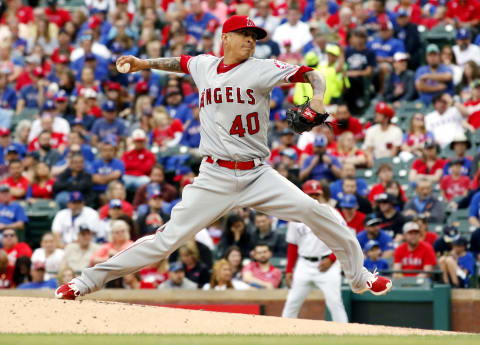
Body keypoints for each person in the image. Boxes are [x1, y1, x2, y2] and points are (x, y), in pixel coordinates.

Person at [56, 15, 391, 300]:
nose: (250, 41)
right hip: (214, 175)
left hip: (257, 174)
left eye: (254, 37)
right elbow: (181, 63)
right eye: (244, 35)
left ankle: (359, 276)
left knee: (317, 212)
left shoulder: (261, 69)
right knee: (166, 240)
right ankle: (86, 281)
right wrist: (145, 63)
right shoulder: (205, 65)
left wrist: (318, 98)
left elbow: (312, 73)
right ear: (225, 38)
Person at [282, 179, 348, 322]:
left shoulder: (333, 214)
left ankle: (345, 336)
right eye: (310, 195)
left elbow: (344, 241)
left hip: (327, 264)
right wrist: (288, 270)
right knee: (292, 303)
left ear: (321, 195)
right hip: (304, 264)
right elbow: (293, 245)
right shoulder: (295, 215)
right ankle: (283, 336)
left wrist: (331, 259)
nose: (313, 198)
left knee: (335, 303)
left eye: (316, 195)